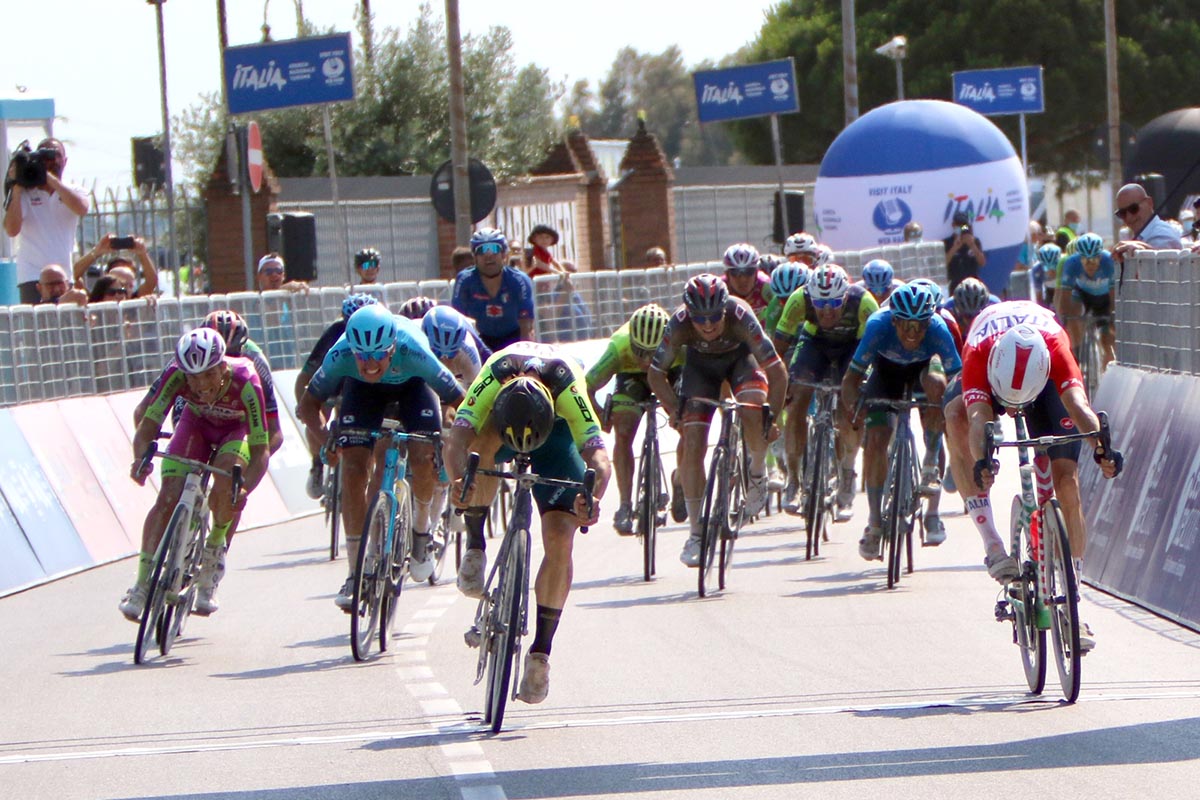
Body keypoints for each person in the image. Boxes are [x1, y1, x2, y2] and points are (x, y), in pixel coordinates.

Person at [942, 304, 1122, 648]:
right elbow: (979, 417)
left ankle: (1073, 601)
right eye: (1007, 403)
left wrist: (1103, 449)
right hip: (991, 362)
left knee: (1067, 481)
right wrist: (982, 461)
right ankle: (993, 543)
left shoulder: (1056, 348)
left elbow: (1079, 408)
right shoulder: (979, 353)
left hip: (1044, 380)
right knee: (956, 416)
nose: (1012, 410)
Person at [446, 341, 611, 704]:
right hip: (500, 425)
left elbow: (597, 454)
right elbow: (457, 438)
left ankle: (540, 654)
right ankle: (476, 545)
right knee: (479, 450)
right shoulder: (493, 374)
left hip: (556, 437)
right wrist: (460, 480)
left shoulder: (568, 386)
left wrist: (592, 497)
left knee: (560, 536)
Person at [298, 304, 466, 610]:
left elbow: (461, 401)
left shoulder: (414, 350)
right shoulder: (341, 355)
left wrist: (452, 439)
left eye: (379, 355)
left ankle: (421, 533)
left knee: (422, 455)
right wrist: (326, 445)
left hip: (414, 388)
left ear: (393, 348)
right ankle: (354, 573)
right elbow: (307, 406)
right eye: (363, 355)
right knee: (352, 468)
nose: (371, 363)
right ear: (353, 349)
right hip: (362, 393)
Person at [119, 328, 270, 620]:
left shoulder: (246, 379)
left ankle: (214, 550)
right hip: (196, 423)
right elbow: (148, 424)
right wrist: (140, 458)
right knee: (167, 497)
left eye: (208, 375)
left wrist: (244, 488)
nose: (200, 385)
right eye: (193, 377)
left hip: (234, 431)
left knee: (226, 486)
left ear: (222, 367)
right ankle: (141, 584)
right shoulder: (176, 374)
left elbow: (260, 449)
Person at [646, 274, 786, 566]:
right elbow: (655, 375)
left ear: (724, 310)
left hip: (741, 362)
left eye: (714, 317)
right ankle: (696, 533)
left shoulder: (740, 315)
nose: (707, 325)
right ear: (689, 313)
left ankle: (757, 473)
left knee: (752, 409)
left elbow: (777, 371)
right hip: (700, 371)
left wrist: (770, 417)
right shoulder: (679, 323)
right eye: (700, 319)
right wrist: (674, 409)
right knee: (692, 441)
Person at [840, 283, 962, 558]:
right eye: (906, 326)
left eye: (920, 326)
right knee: (877, 440)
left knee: (938, 385)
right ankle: (873, 523)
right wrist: (853, 409)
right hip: (886, 373)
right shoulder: (877, 325)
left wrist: (949, 414)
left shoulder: (938, 329)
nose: (913, 334)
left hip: (924, 369)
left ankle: (930, 463)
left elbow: (958, 379)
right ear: (893, 320)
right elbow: (851, 378)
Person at [773, 265, 878, 515]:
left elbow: (877, 347)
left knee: (848, 408)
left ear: (845, 297)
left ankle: (846, 473)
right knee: (797, 398)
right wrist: (779, 384)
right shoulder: (799, 299)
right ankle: (794, 481)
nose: (827, 311)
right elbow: (777, 350)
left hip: (853, 346)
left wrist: (862, 385)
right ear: (811, 298)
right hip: (815, 344)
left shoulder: (863, 302)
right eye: (820, 304)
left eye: (834, 303)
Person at [585, 303, 681, 534]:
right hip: (631, 378)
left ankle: (681, 478)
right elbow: (586, 385)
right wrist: (601, 416)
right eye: (640, 352)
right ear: (632, 343)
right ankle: (625, 505)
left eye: (653, 353)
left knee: (688, 423)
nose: (646, 360)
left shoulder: (680, 343)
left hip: (670, 372)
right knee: (624, 431)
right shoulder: (619, 345)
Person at [293, 294, 381, 498]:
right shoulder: (334, 333)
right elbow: (305, 377)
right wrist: (303, 405)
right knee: (316, 411)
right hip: (334, 380)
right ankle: (317, 464)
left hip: (361, 383)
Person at [3, 138, 89, 305]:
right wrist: (17, 185)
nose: (51, 161)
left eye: (56, 155)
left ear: (65, 161)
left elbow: (81, 208)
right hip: (32, 276)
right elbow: (12, 230)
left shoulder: (73, 191)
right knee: (36, 327)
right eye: (45, 156)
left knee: (65, 326)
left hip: (63, 276)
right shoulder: (26, 194)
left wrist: (49, 178)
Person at [451, 228, 535, 351]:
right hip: (479, 340)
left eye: (495, 249)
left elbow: (526, 326)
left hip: (514, 338)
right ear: (475, 257)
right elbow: (457, 321)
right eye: (482, 250)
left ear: (504, 255)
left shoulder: (519, 280)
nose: (488, 256)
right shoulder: (465, 280)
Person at [1056, 232, 1118, 370]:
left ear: (1100, 256)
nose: (1091, 265)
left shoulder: (1109, 262)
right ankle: (1077, 355)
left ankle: (1107, 371)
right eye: (1086, 261)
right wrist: (1066, 319)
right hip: (1082, 296)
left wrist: (1113, 316)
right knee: (1073, 318)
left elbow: (1114, 296)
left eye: (1094, 260)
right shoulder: (1071, 263)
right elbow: (1065, 297)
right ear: (1080, 258)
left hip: (1104, 298)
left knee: (1108, 338)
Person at [73, 234, 159, 299]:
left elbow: (151, 281)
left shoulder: (134, 302)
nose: (120, 292)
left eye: (128, 285)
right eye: (113, 289)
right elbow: (73, 277)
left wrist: (142, 254)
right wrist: (96, 252)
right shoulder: (96, 301)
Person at [1111, 183, 1182, 259]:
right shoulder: (1136, 235)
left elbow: (1162, 265)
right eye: (1122, 213)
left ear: (1149, 203)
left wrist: (1142, 251)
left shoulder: (1162, 234)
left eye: (1133, 209)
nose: (1129, 217)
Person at [721, 242, 773, 323]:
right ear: (727, 275)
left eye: (749, 272)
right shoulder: (720, 289)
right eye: (735, 273)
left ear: (756, 273)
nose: (743, 279)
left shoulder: (766, 286)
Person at [943, 211, 987, 293]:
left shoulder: (975, 241)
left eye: (963, 226)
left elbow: (982, 262)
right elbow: (943, 263)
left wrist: (972, 245)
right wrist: (954, 248)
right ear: (953, 225)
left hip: (973, 283)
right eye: (958, 225)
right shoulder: (947, 242)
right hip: (955, 284)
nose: (961, 228)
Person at [1035, 242, 1063, 308]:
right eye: (1046, 268)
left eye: (1054, 267)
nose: (1050, 272)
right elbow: (1038, 297)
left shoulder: (1066, 265)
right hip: (1048, 290)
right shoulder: (1036, 270)